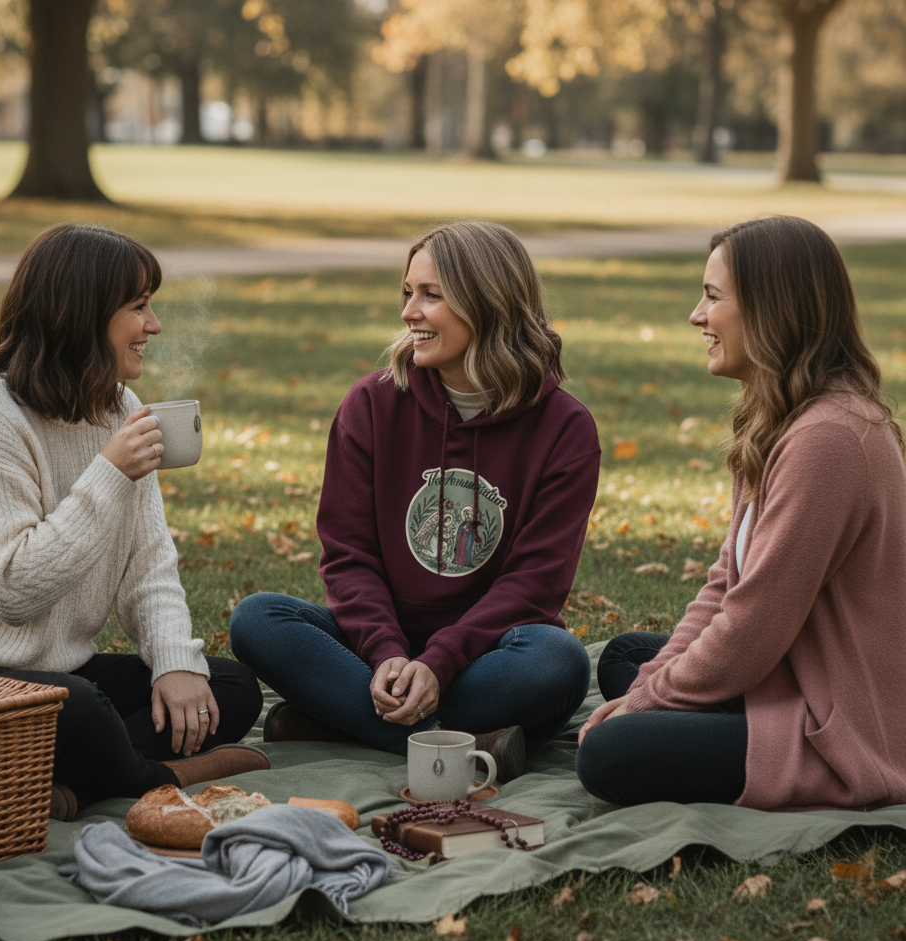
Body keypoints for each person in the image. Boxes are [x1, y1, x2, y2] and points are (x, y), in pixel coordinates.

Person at [0, 223, 267, 819]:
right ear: (82, 315)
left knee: (226, 688)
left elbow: (149, 562)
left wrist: (173, 664)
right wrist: (108, 475)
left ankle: (69, 786)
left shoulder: (121, 408)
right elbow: (13, 591)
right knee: (83, 709)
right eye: (138, 307)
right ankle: (157, 776)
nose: (154, 325)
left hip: (53, 668)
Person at [230, 221, 601, 780]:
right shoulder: (372, 405)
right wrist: (387, 654)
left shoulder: (565, 429)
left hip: (489, 653)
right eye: (408, 293)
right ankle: (461, 740)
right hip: (379, 646)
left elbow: (534, 585)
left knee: (560, 662)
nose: (409, 312)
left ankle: (342, 719)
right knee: (257, 618)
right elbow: (349, 554)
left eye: (431, 295)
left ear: (487, 303)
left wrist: (442, 660)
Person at [575, 215, 906, 811]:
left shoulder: (828, 440)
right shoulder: (782, 419)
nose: (696, 317)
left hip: (847, 720)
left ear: (769, 309)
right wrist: (650, 687)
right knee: (627, 658)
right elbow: (727, 583)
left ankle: (730, 730)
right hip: (790, 670)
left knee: (608, 754)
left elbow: (752, 628)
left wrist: (642, 705)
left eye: (711, 297)